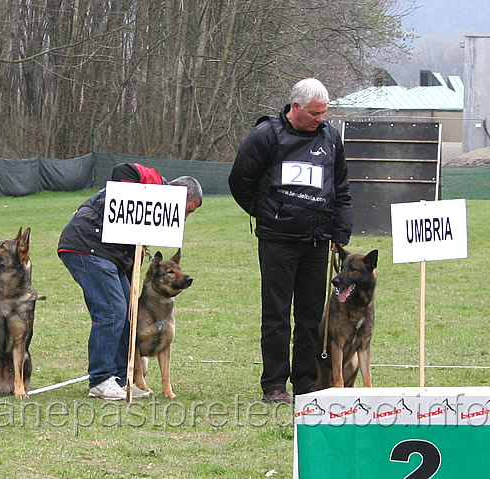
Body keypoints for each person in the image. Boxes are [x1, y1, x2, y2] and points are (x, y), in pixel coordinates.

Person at [228, 78, 352, 403]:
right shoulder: (266, 135)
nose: (319, 119)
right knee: (277, 314)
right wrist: (267, 213)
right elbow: (240, 180)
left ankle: (307, 383)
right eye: (314, 113)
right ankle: (274, 385)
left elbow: (341, 189)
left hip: (316, 241)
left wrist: (340, 232)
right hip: (277, 240)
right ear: (295, 107)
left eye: (323, 113)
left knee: (311, 316)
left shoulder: (331, 138)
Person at [58, 163, 202, 400]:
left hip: (109, 254)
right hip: (86, 245)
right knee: (112, 310)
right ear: (178, 196)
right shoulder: (155, 183)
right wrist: (135, 199)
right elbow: (123, 170)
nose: (185, 218)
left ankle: (122, 379)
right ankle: (101, 380)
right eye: (187, 210)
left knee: (128, 312)